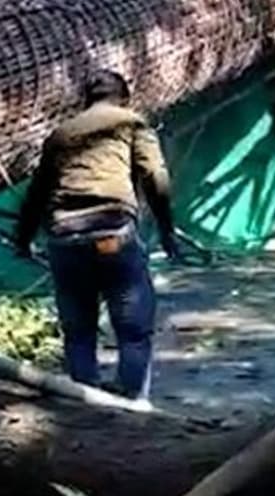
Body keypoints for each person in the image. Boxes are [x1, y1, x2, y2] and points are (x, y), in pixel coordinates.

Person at [14, 71, 180, 401]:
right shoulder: (132, 123)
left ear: (85, 100)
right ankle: (132, 405)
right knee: (133, 329)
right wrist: (166, 230)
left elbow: (37, 193)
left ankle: (85, 406)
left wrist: (21, 239)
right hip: (112, 235)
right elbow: (156, 177)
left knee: (78, 333)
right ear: (125, 97)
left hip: (64, 240)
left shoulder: (62, 133)